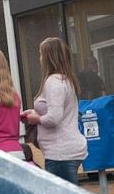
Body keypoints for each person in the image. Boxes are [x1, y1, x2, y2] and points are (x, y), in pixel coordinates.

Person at [20, 38, 88, 184]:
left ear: (48, 57)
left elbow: (54, 118)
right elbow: (57, 111)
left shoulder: (53, 82)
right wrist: (34, 112)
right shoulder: (66, 80)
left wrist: (36, 119)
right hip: (65, 151)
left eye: (40, 54)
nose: (39, 58)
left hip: (60, 153)